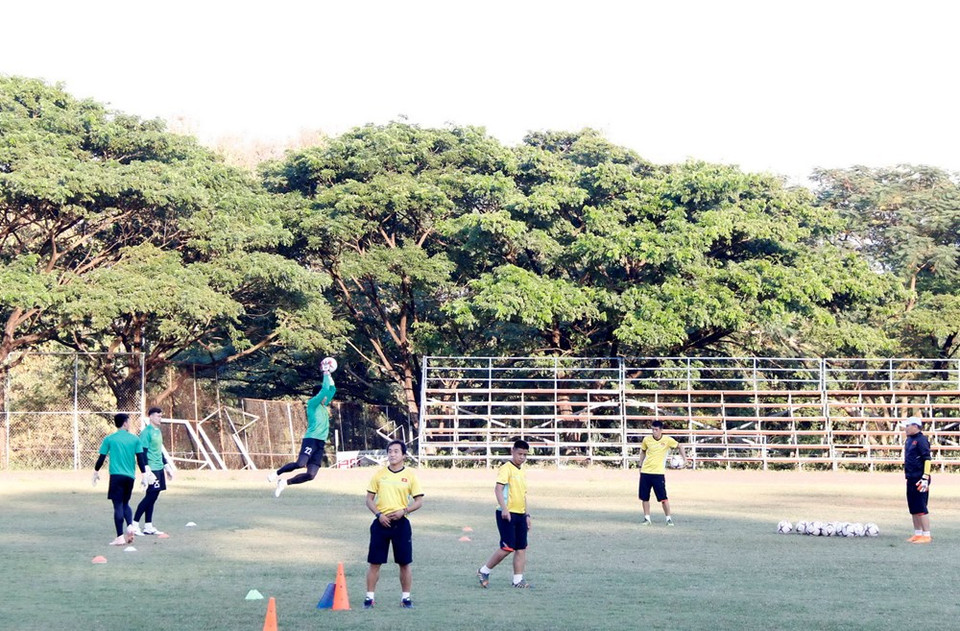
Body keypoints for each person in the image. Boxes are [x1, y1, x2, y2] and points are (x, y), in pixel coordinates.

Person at [363, 440, 424, 609]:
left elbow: (419, 501)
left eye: (396, 451)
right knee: (374, 562)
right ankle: (369, 598)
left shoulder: (410, 476)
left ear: (404, 455)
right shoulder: (379, 474)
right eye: (390, 451)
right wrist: (378, 514)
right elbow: (368, 499)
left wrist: (404, 511)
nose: (392, 454)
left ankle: (406, 598)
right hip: (381, 523)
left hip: (401, 524)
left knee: (404, 563)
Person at [269, 362, 336, 497]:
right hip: (311, 439)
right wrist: (325, 373)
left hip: (320, 442)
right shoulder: (313, 403)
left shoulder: (323, 404)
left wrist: (330, 375)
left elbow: (332, 389)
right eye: (324, 395)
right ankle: (276, 473)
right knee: (300, 464)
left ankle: (284, 483)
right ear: (318, 396)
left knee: (311, 475)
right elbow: (325, 390)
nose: (326, 397)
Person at [477, 439, 533, 589]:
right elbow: (498, 489)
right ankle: (484, 571)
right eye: (519, 454)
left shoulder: (522, 470)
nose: (522, 457)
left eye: (525, 455)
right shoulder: (506, 468)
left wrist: (527, 515)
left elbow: (524, 495)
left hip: (520, 514)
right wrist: (504, 509)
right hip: (506, 514)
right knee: (507, 547)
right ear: (512, 451)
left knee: (521, 547)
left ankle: (518, 580)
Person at [92, 413, 148, 546]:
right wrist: (144, 475)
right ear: (124, 423)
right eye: (128, 421)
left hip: (116, 477)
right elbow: (141, 459)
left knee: (117, 505)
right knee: (125, 503)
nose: (129, 423)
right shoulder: (135, 439)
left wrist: (95, 471)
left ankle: (119, 537)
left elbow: (101, 458)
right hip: (130, 477)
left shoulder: (109, 439)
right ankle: (129, 525)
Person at [131, 407, 175, 536]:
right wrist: (146, 469)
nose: (160, 418)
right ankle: (134, 524)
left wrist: (167, 467)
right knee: (150, 496)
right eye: (157, 416)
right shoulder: (146, 432)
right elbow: (142, 451)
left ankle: (148, 526)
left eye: (161, 416)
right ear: (150, 417)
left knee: (154, 496)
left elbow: (158, 451)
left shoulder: (158, 431)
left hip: (159, 467)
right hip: (152, 468)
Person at [637, 420, 688, 526]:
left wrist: (685, 460)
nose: (654, 432)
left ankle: (668, 518)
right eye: (652, 429)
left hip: (658, 473)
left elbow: (680, 446)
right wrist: (640, 465)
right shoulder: (647, 440)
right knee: (644, 497)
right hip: (646, 472)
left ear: (661, 430)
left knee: (663, 498)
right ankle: (647, 518)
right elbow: (643, 451)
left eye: (656, 430)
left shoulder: (667, 440)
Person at [903, 417, 932, 543]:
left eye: (907, 426)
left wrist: (925, 476)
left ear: (915, 426)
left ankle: (926, 534)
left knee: (921, 506)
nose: (905, 428)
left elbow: (927, 459)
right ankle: (918, 533)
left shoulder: (921, 440)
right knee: (913, 507)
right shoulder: (909, 440)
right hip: (910, 477)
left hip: (920, 478)